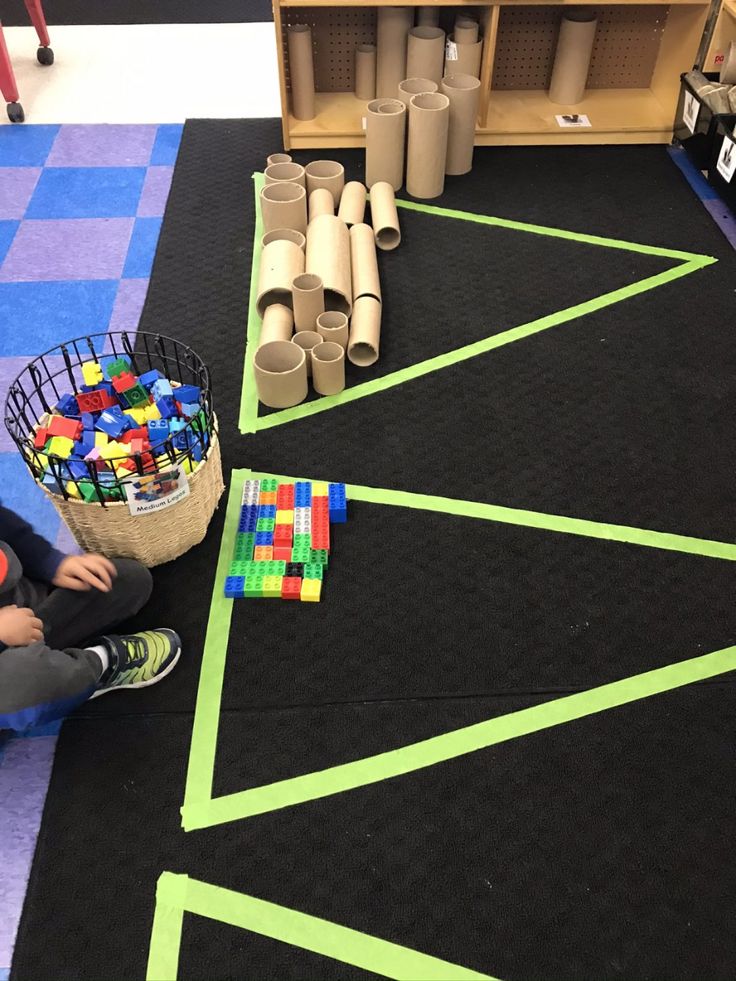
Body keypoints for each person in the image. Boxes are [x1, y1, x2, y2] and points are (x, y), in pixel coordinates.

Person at [0, 501, 180, 731]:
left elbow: (8, 528)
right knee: (21, 685)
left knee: (126, 581)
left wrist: (52, 564)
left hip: (28, 616)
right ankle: (99, 662)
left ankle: (56, 665)